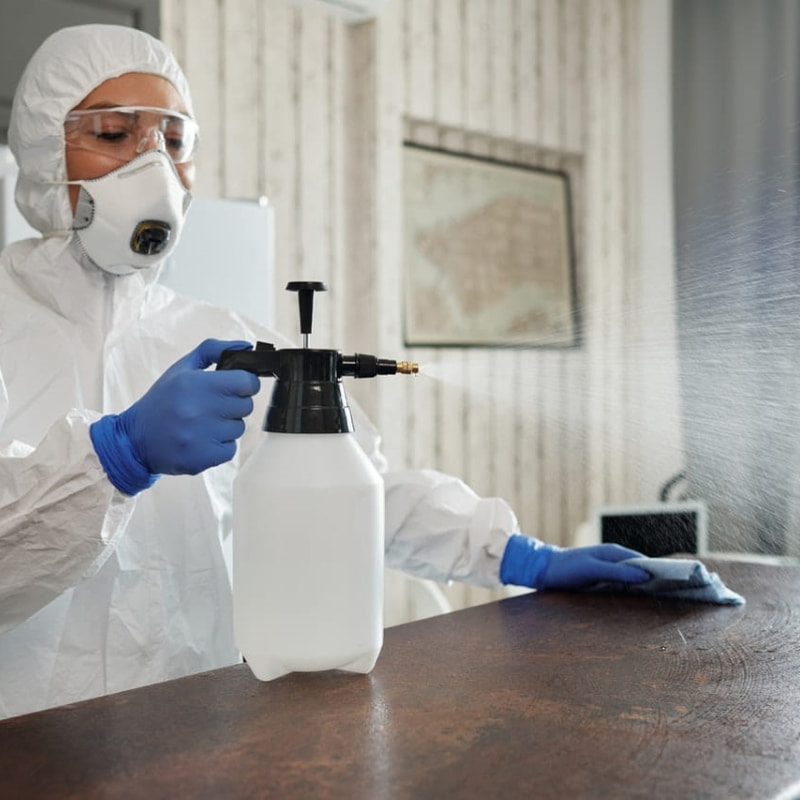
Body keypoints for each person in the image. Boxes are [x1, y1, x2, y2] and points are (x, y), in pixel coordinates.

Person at [0, 24, 649, 720]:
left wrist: (522, 559)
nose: (152, 165)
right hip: (29, 744)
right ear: (45, 149)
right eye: (115, 134)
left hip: (189, 732)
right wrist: (115, 457)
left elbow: (356, 490)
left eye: (174, 141)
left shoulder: (214, 335)